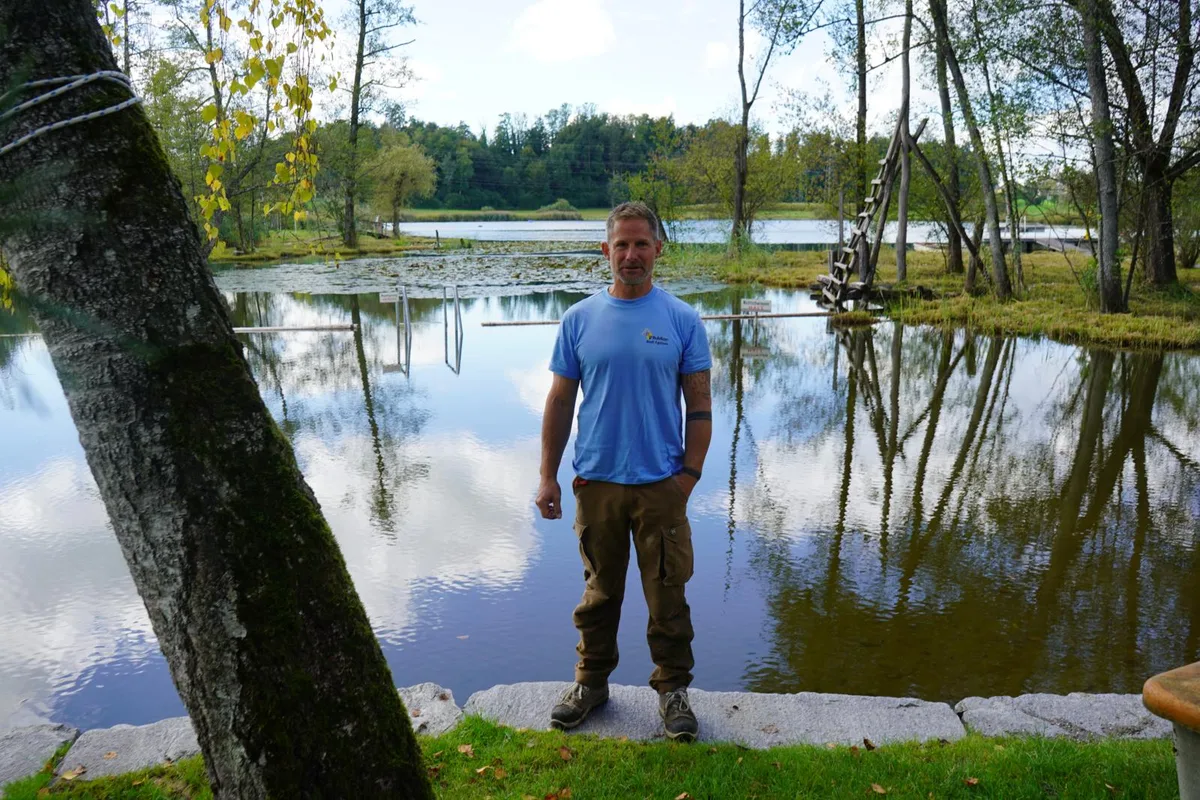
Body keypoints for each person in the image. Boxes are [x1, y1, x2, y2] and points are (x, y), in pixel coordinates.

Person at [535, 201, 713, 742]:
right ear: (605, 250)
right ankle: (591, 684)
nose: (631, 255)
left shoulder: (682, 320)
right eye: (622, 244)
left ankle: (674, 691)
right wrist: (548, 476)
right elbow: (560, 402)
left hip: (662, 485)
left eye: (642, 244)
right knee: (599, 594)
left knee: (668, 597)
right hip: (597, 483)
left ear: (659, 249)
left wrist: (688, 478)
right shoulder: (579, 320)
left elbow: (700, 408)